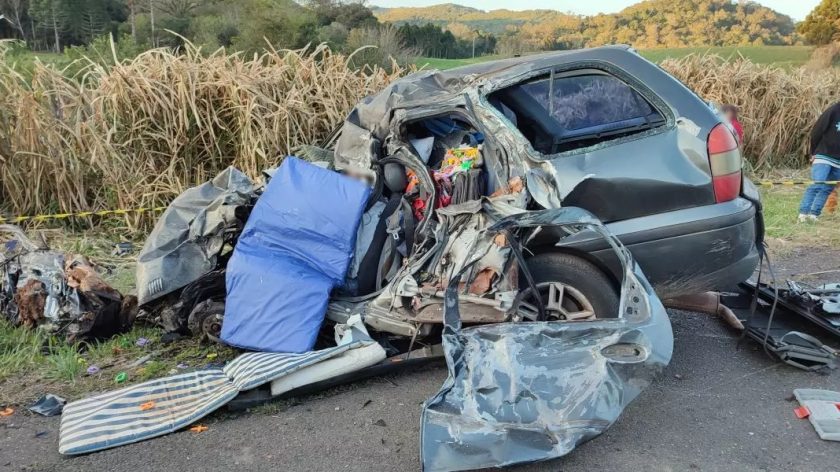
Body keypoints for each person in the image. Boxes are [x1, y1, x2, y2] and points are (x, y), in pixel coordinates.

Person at [799, 102, 840, 222]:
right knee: (817, 184)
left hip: (838, 161)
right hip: (824, 155)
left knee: (827, 188)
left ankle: (814, 214)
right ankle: (803, 213)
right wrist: (813, 152)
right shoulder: (833, 110)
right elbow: (817, 130)